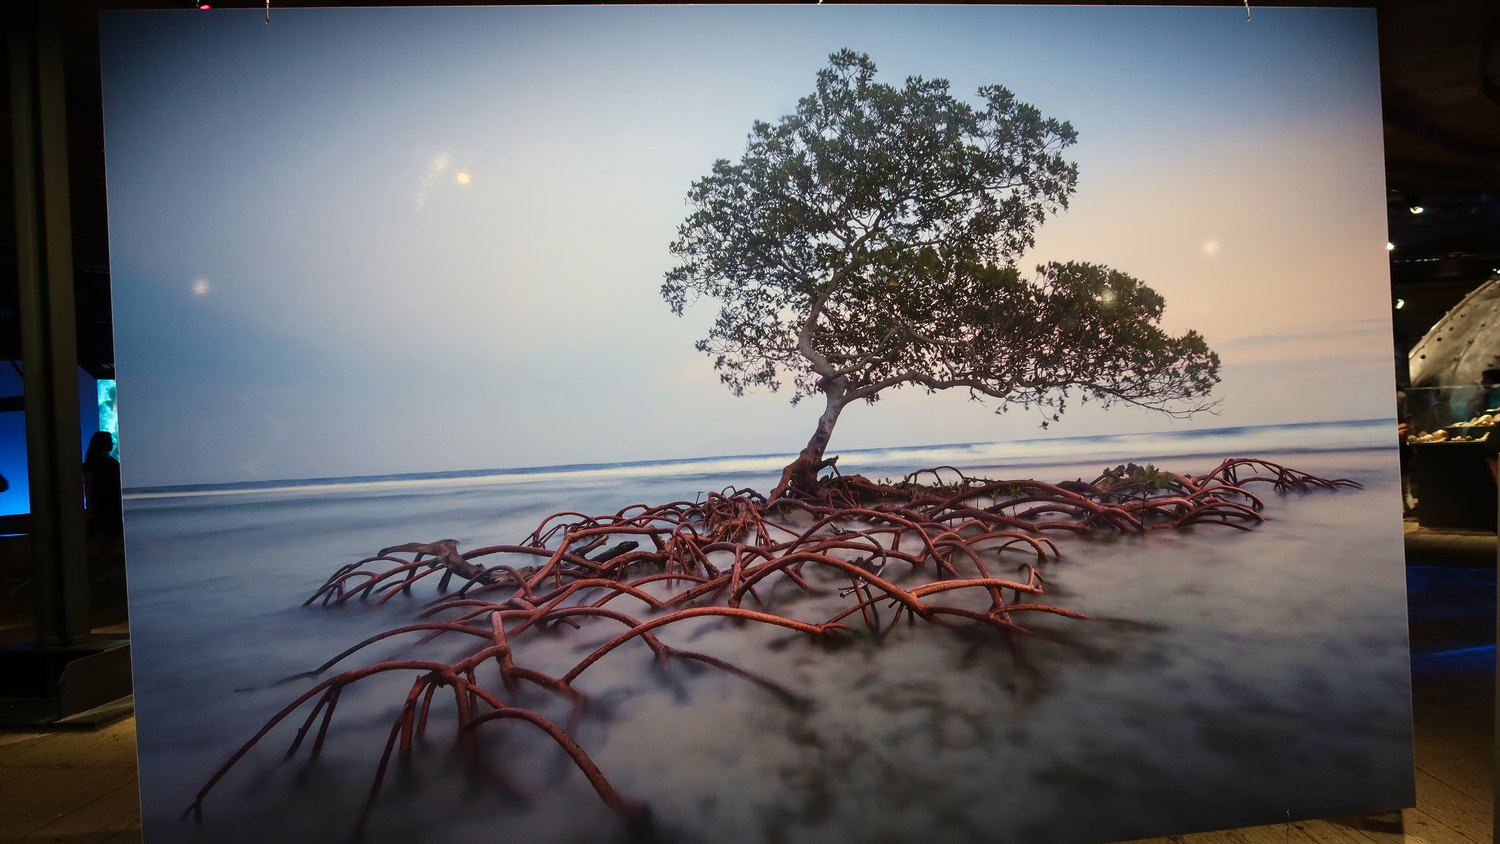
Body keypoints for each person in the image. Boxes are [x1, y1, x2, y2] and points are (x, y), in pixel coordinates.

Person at [82, 431, 124, 570]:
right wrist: (90, 508)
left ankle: (105, 570)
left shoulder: (111, 462)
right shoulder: (93, 464)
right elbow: (88, 486)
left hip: (113, 506)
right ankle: (101, 570)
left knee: (109, 540)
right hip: (102, 506)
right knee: (102, 541)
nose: (112, 442)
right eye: (109, 440)